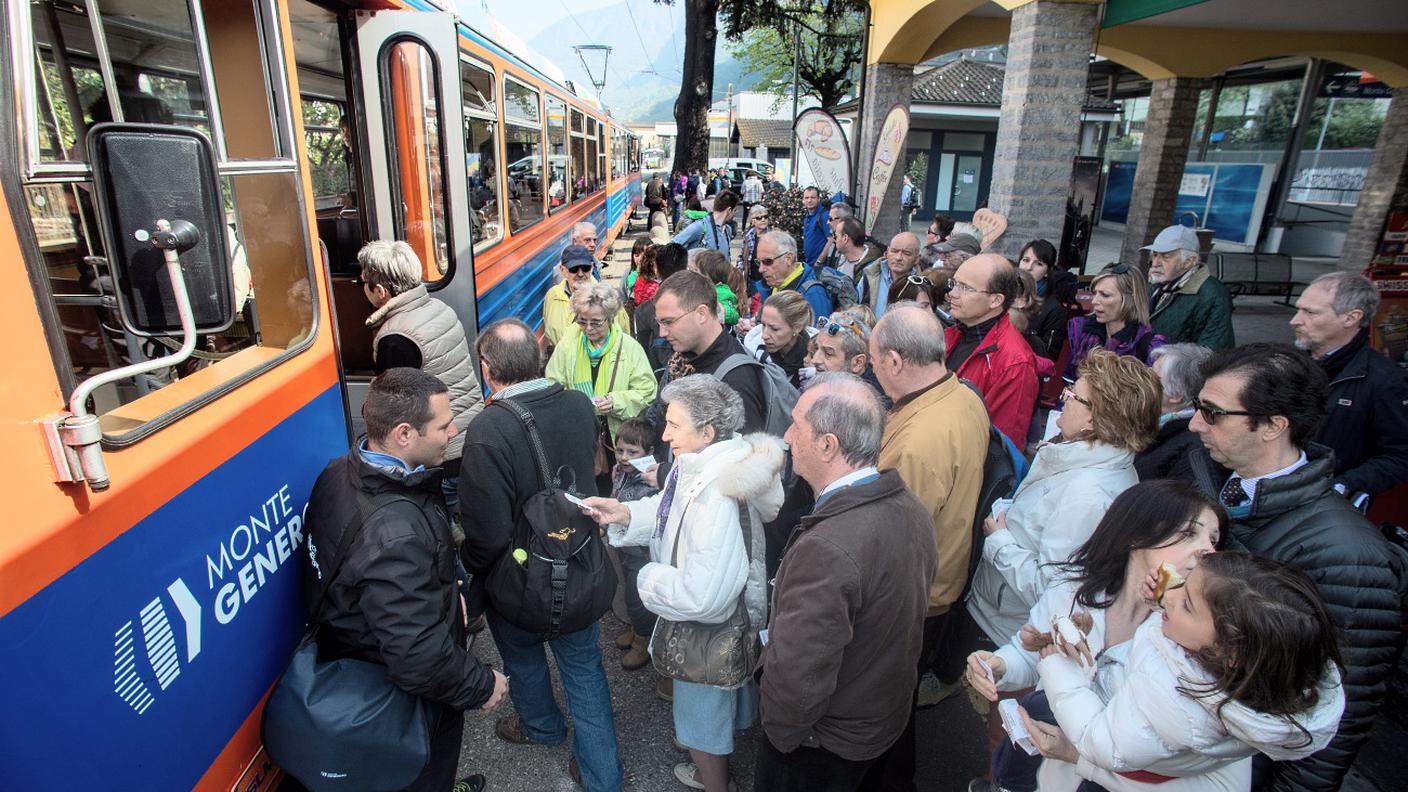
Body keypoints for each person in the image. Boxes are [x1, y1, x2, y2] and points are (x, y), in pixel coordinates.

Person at [1187, 342, 1408, 790]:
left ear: (1273, 426)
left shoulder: (1349, 556)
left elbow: (1338, 717)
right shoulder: (1214, 483)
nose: (1195, 424)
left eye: (1212, 413)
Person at [303, 368, 507, 792]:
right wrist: (482, 683)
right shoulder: (396, 533)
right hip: (400, 695)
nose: (453, 430)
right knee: (423, 771)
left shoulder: (338, 472)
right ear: (403, 434)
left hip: (356, 656)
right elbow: (417, 656)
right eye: (443, 424)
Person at [584, 375, 785, 792]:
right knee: (716, 702)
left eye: (674, 425)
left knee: (702, 718)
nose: (664, 434)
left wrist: (648, 578)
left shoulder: (716, 493)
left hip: (704, 626)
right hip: (716, 621)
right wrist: (622, 513)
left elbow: (703, 596)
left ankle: (716, 784)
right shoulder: (707, 466)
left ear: (707, 431)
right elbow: (669, 510)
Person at [966, 479, 1225, 792]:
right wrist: (997, 665)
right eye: (1188, 533)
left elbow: (1187, 750)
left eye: (1214, 540)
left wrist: (1076, 754)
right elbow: (1029, 655)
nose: (1207, 551)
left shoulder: (1195, 638)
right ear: (1136, 534)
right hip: (1034, 772)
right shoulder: (1074, 587)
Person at [458, 320, 624, 791]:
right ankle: (603, 776)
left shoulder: (488, 429)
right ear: (537, 358)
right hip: (580, 563)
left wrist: (474, 570)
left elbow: (486, 534)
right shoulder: (576, 403)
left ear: (487, 369)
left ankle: (542, 726)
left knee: (523, 657)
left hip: (519, 579)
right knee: (584, 668)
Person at [756, 373, 938, 791]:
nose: (785, 435)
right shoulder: (909, 506)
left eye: (796, 424)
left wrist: (781, 735)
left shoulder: (829, 547)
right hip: (877, 723)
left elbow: (799, 675)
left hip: (823, 745)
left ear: (827, 444)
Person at [1032, 552, 1346, 792]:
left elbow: (1099, 741)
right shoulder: (1250, 679)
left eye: (1187, 604)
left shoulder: (1173, 703)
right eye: (1182, 583)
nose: (1170, 594)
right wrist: (1166, 605)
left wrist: (1059, 670)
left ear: (1230, 649)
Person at [862, 303, 990, 791]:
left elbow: (890, 541)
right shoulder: (962, 397)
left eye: (875, 360)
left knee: (885, 711)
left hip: (914, 596)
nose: (873, 369)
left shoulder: (918, 441)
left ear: (895, 361)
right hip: (941, 581)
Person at [969, 349, 1161, 648]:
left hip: (1004, 628)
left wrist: (999, 542)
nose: (1065, 397)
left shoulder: (1087, 497)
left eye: (1074, 395)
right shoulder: (1086, 458)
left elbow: (1053, 589)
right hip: (1000, 610)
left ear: (1095, 420)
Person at [358, 241, 484, 509]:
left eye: (363, 284)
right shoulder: (439, 308)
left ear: (380, 291)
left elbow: (393, 409)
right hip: (468, 434)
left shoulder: (395, 338)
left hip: (443, 452)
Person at [1290, 271, 1408, 499]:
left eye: (1310, 312)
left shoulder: (1385, 381)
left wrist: (1342, 485)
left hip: (1321, 504)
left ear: (1351, 318)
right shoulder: (1287, 362)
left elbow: (1400, 456)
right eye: (1298, 309)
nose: (1295, 320)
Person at [544, 282, 658, 487]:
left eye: (596, 322)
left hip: (616, 440)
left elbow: (648, 390)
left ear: (610, 318)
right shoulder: (568, 346)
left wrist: (616, 401)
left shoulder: (629, 348)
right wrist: (572, 405)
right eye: (582, 321)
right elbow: (553, 384)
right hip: (579, 433)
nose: (588, 328)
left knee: (611, 487)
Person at [653, 271, 767, 433]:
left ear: (701, 314)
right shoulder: (686, 356)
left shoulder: (736, 379)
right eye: (659, 322)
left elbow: (745, 453)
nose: (662, 333)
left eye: (668, 322)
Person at [943, 253, 1039, 444]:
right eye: (954, 283)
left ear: (996, 300)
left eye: (966, 288)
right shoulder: (953, 333)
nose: (952, 293)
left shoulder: (1015, 362)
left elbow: (1004, 443)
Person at [607, 417, 659, 671]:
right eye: (619, 450)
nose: (624, 457)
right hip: (626, 548)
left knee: (637, 599)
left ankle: (643, 641)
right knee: (630, 591)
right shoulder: (623, 474)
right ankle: (637, 628)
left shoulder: (651, 481)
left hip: (643, 553)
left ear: (649, 453)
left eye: (632, 452)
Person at [1065, 263, 1165, 379]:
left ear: (1130, 299)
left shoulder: (1152, 349)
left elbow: (1156, 395)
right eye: (1095, 293)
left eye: (1105, 295)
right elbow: (1068, 384)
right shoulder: (1083, 333)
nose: (1094, 301)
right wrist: (1072, 396)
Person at [1144, 224, 1235, 350]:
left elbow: (1212, 353)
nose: (1155, 263)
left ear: (1189, 262)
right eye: (1154, 254)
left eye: (1166, 256)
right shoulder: (1157, 283)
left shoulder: (1213, 296)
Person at [1135, 343, 1217, 482]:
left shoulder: (1193, 447)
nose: (1142, 379)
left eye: (1153, 376)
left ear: (1176, 396)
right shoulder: (1154, 418)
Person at [543, 245, 626, 355]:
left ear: (591, 268)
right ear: (563, 270)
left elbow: (623, 335)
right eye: (574, 269)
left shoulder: (609, 299)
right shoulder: (552, 296)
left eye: (585, 268)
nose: (580, 274)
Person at [754, 229, 834, 323]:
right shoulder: (774, 286)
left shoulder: (813, 294)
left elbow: (817, 336)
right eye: (758, 262)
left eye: (768, 261)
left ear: (788, 258)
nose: (761, 269)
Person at [633, 242, 690, 373]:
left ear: (657, 270)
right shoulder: (699, 303)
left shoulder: (643, 311)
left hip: (658, 377)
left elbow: (643, 352)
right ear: (686, 267)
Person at [1015, 239, 1071, 359]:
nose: (1029, 267)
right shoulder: (1004, 294)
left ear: (1047, 272)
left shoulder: (1054, 309)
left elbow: (1049, 356)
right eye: (1026, 260)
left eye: (1038, 263)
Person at [753, 291, 815, 389]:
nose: (764, 335)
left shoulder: (815, 363)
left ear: (797, 328)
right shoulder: (755, 350)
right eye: (763, 325)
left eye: (774, 329)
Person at [858, 232, 923, 319]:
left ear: (917, 259)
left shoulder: (922, 286)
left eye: (906, 253)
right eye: (894, 251)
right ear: (887, 252)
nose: (898, 258)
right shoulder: (870, 276)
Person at [692, 250, 744, 328]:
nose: (693, 274)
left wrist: (722, 310)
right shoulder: (701, 289)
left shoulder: (721, 292)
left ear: (707, 276)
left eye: (696, 271)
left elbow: (733, 316)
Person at [674, 190, 738, 253]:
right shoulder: (700, 226)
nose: (735, 214)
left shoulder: (727, 230)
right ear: (729, 210)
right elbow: (671, 246)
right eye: (735, 210)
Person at [832, 216, 884, 280]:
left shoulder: (872, 267)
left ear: (845, 238)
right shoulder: (841, 259)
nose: (834, 240)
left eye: (835, 236)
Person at [738, 204, 770, 293]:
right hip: (752, 280)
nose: (763, 220)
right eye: (759, 218)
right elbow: (741, 257)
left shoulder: (773, 235)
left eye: (765, 217)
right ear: (753, 221)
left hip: (768, 280)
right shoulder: (748, 236)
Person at [799, 186, 830, 265]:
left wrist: (819, 261)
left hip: (820, 266)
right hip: (809, 263)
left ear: (818, 199)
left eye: (813, 197)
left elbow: (831, 240)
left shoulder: (824, 215)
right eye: (807, 198)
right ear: (803, 200)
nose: (809, 200)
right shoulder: (806, 215)